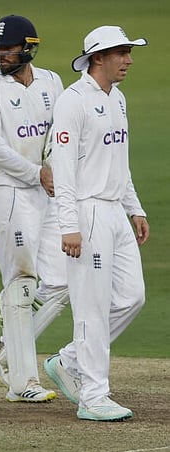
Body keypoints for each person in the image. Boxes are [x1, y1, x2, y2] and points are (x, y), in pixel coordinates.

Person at [46, 26, 149, 422]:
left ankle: (69, 361)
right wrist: (68, 224)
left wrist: (134, 208)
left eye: (128, 52)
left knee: (130, 297)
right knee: (90, 306)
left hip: (114, 211)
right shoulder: (72, 102)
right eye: (121, 53)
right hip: (86, 212)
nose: (129, 60)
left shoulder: (118, 98)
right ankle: (93, 396)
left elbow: (120, 161)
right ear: (98, 58)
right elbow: (64, 169)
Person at [0, 15, 69, 403]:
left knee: (61, 283)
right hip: (8, 192)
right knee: (22, 283)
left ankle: (6, 349)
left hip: (46, 191)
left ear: (27, 48)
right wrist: (36, 173)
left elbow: (58, 135)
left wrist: (53, 169)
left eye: (7, 48)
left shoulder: (52, 82)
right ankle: (22, 383)